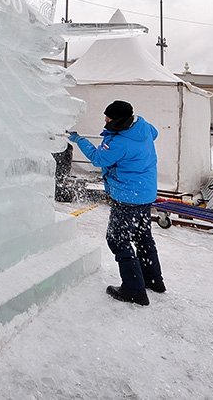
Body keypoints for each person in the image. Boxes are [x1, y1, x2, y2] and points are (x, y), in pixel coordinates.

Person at [67, 100, 164, 306]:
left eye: (108, 118)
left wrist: (79, 140)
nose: (105, 120)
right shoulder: (144, 126)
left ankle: (134, 290)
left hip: (128, 197)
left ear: (118, 121)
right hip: (145, 193)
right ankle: (153, 280)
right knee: (142, 235)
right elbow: (155, 133)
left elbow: (98, 159)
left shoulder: (120, 143)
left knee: (118, 240)